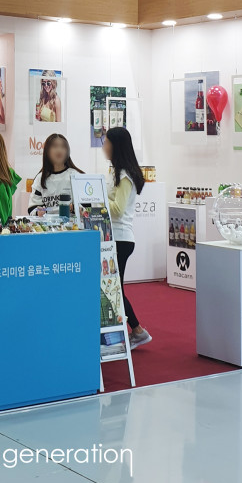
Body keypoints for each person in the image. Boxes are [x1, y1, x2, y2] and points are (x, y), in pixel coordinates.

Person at [103, 127, 152, 350]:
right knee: (113, 287)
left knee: (115, 289)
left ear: (116, 146)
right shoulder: (116, 171)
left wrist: (96, 200)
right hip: (116, 237)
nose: (103, 147)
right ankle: (134, 331)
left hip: (120, 238)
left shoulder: (124, 175)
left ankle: (138, 331)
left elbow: (118, 209)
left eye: (106, 142)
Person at [28, 133, 83, 216]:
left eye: (63, 146)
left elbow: (87, 206)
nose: (59, 150)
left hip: (72, 223)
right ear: (47, 151)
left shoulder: (76, 176)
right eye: (55, 146)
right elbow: (32, 208)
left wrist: (75, 208)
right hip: (47, 223)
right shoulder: (40, 178)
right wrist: (39, 211)